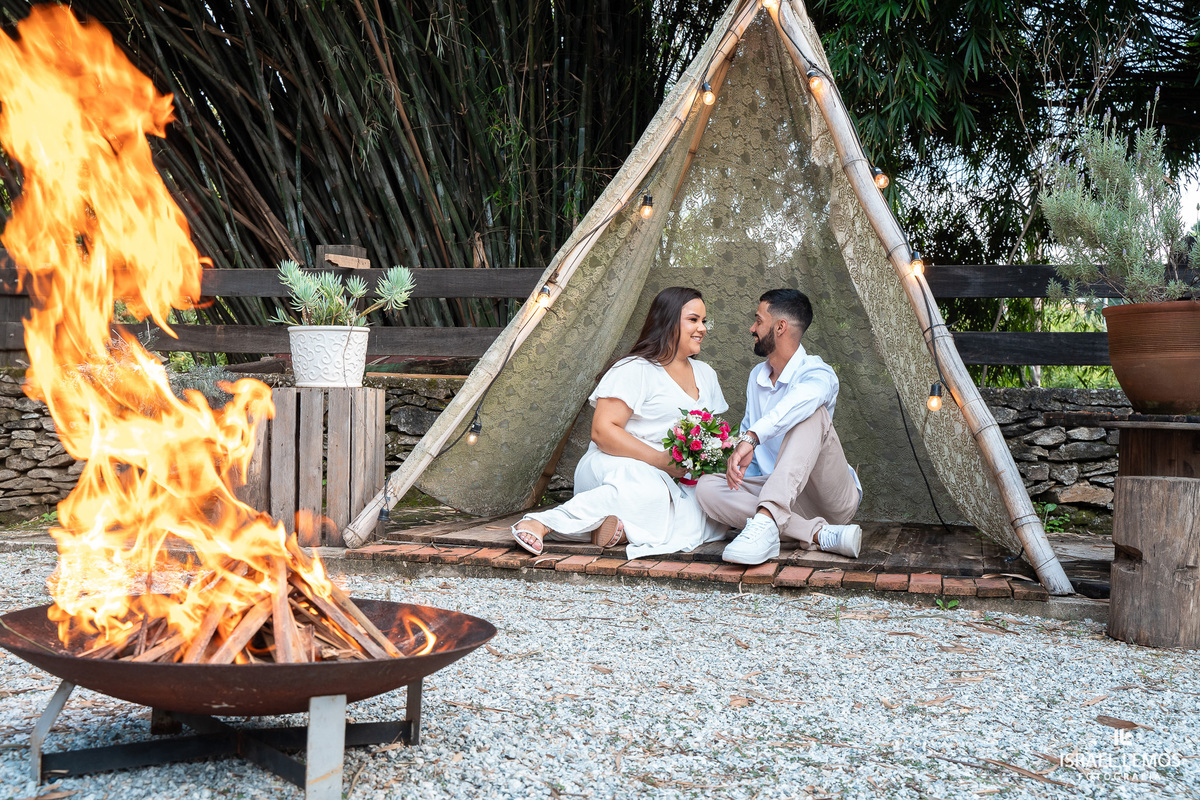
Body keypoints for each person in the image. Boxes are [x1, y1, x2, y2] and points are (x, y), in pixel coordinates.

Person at [511, 286, 729, 559]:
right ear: (668, 321)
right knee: (651, 492)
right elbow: (602, 432)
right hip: (618, 464)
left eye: (704, 321)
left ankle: (620, 530)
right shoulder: (634, 368)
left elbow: (711, 433)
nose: (702, 328)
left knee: (711, 512)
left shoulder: (706, 374)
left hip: (674, 475)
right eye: (693, 320)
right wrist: (659, 461)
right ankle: (544, 522)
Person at [696, 289, 862, 565]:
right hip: (782, 498)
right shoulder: (756, 377)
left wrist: (752, 437)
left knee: (812, 412)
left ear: (780, 327)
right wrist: (739, 470)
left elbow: (801, 401)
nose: (752, 328)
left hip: (829, 498)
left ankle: (768, 519)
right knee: (707, 488)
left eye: (758, 321)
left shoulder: (817, 372)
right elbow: (753, 449)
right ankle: (818, 534)